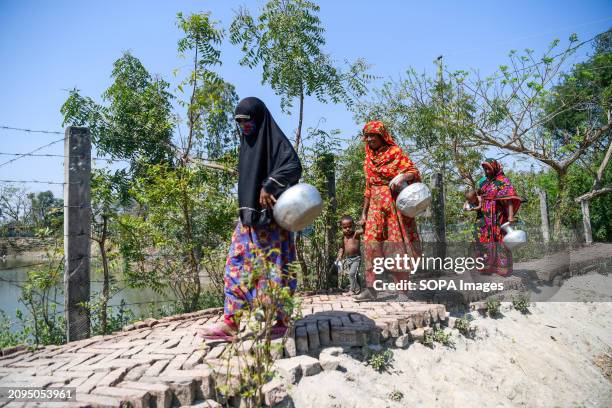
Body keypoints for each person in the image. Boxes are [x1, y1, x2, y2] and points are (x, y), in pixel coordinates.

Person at [199, 97, 302, 341]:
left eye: (247, 121)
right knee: (235, 265)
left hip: (271, 222)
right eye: (239, 122)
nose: (244, 126)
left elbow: (293, 166)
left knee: (275, 269)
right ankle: (231, 323)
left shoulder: (275, 142)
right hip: (248, 220)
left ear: (258, 119)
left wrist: (269, 185)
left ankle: (281, 320)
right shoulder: (248, 144)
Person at [355, 120, 422, 302]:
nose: (369, 139)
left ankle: (403, 291)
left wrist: (402, 175)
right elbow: (368, 187)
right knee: (371, 245)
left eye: (372, 135)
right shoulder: (368, 158)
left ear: (382, 136)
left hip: (393, 205)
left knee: (395, 245)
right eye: (366, 136)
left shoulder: (395, 153)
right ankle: (371, 289)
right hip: (375, 208)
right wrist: (364, 214)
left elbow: (414, 172)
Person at [475, 158, 522, 276]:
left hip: (498, 217)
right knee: (484, 241)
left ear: (495, 167)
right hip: (484, 218)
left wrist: (510, 217)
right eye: (484, 169)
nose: (486, 171)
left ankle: (503, 268)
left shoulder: (503, 181)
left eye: (488, 168)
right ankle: (486, 267)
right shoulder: (485, 183)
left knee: (500, 241)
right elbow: (479, 197)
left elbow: (510, 199)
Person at [336, 215, 362, 295]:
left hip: (357, 258)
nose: (347, 229)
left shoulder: (356, 234)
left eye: (350, 226)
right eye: (345, 227)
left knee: (351, 274)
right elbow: (342, 247)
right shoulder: (343, 237)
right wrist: (339, 256)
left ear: (353, 226)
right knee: (354, 275)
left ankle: (352, 290)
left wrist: (361, 224)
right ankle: (358, 289)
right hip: (348, 259)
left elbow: (364, 230)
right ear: (341, 228)